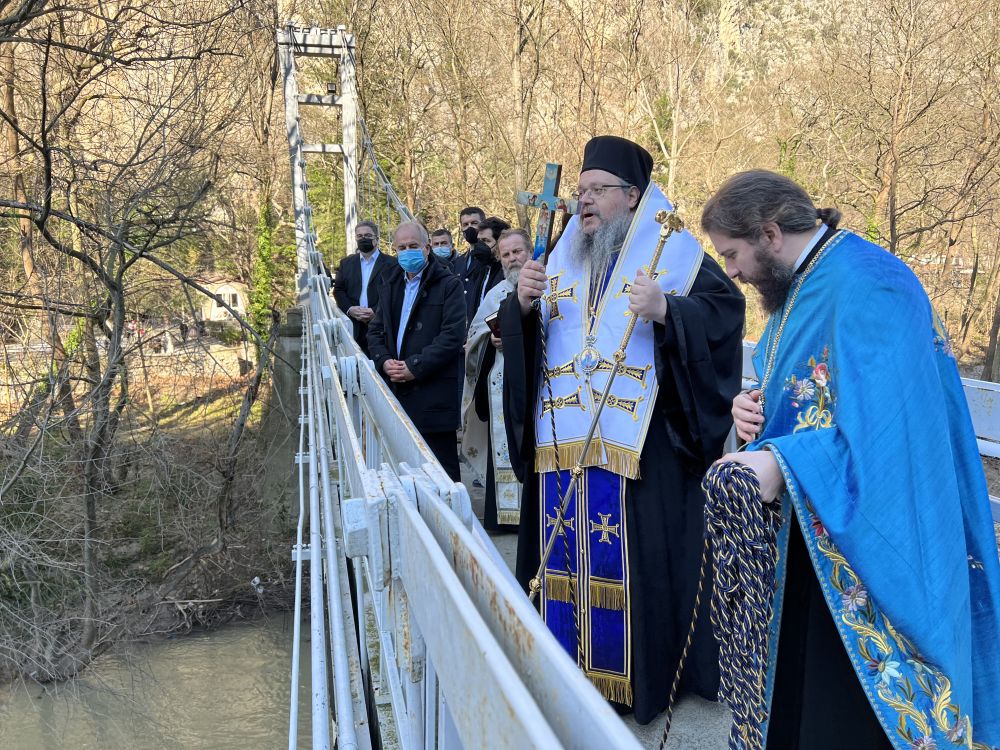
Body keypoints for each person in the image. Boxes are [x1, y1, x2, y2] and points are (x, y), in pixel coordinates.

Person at [704, 170, 1000, 749]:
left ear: (769, 232)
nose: (732, 272)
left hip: (871, 536)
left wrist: (781, 460)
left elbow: (895, 435)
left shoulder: (870, 284)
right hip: (809, 528)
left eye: (732, 255)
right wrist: (752, 414)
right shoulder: (806, 280)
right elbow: (802, 391)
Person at [500, 135, 745, 722]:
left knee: (639, 564)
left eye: (596, 191)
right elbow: (529, 341)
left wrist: (669, 311)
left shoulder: (674, 252)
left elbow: (725, 312)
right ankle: (564, 667)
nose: (583, 202)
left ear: (632, 196)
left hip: (641, 449)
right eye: (580, 192)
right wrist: (523, 308)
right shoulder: (563, 253)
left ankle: (638, 680)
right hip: (563, 446)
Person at [367, 221, 467, 481]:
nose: (407, 252)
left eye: (413, 246)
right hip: (396, 392)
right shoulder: (390, 284)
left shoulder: (449, 284)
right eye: (402, 247)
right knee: (403, 473)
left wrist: (415, 366)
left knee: (443, 476)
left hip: (433, 395)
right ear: (394, 250)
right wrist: (383, 361)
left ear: (426, 248)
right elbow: (375, 331)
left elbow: (453, 336)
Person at [461, 228, 529, 531]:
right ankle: (504, 515)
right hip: (502, 383)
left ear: (530, 251)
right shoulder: (497, 293)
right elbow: (474, 335)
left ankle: (533, 512)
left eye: (518, 252)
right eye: (506, 254)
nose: (513, 259)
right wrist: (491, 338)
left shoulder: (552, 286)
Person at [334, 220, 393, 356]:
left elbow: (394, 293)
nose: (363, 239)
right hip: (354, 325)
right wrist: (350, 309)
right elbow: (339, 290)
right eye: (359, 236)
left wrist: (375, 311)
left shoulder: (392, 264)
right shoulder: (346, 263)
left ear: (376, 239)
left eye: (368, 235)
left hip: (381, 324)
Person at [463, 216, 507, 323]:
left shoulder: (507, 273)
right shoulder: (481, 269)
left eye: (486, 241)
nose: (480, 245)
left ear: (499, 243)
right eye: (479, 241)